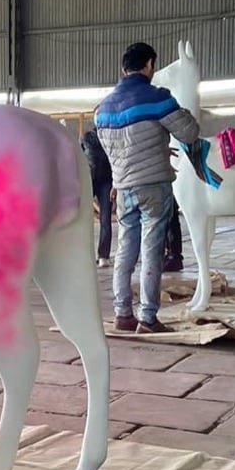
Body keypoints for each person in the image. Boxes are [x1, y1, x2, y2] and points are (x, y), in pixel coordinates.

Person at [95, 42, 199, 334]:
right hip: (154, 186)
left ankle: (122, 313)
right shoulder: (158, 98)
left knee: (126, 249)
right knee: (152, 250)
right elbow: (189, 133)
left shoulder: (102, 109)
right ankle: (148, 317)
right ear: (150, 65)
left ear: (122, 69)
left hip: (124, 187)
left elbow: (117, 149)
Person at [81, 123, 113, 267]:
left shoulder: (110, 136)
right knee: (88, 218)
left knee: (105, 219)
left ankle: (102, 255)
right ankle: (90, 255)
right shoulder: (87, 137)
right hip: (93, 180)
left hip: (102, 180)